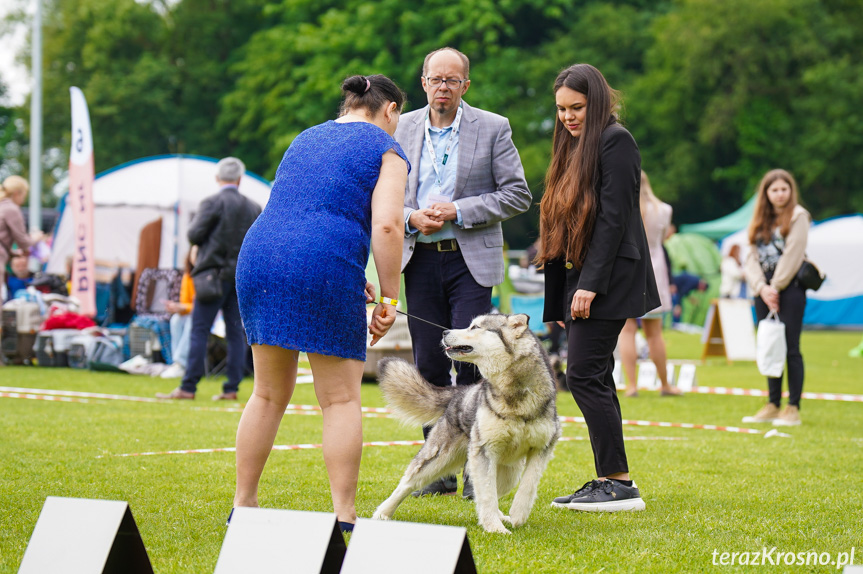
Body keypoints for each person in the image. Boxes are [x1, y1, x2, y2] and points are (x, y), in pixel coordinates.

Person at [232, 74, 408, 533]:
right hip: (321, 261)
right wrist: (389, 294)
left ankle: (243, 505)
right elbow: (388, 226)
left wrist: (348, 273)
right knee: (341, 398)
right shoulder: (387, 150)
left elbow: (304, 209)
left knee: (267, 392)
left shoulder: (305, 137)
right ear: (389, 109)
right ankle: (344, 517)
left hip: (260, 256)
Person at [396, 47, 531, 498]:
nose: (443, 88)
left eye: (453, 81)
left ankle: (478, 468)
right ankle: (437, 468)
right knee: (429, 364)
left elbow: (517, 195)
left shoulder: (494, 127)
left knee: (473, 362)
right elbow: (382, 195)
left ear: (465, 85)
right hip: (418, 259)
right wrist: (412, 216)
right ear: (423, 82)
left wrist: (459, 210)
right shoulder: (401, 127)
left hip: (470, 259)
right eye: (436, 80)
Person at [537, 64, 659, 512]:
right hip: (579, 281)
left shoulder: (615, 140)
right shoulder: (572, 145)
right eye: (562, 109)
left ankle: (619, 482)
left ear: (599, 102)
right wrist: (557, 299)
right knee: (595, 376)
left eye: (577, 108)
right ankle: (611, 478)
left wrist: (588, 286)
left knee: (584, 375)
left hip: (607, 280)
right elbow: (558, 220)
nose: (568, 117)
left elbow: (614, 219)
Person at [156, 158, 261, 401]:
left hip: (211, 276)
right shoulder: (253, 207)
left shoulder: (212, 202)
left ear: (218, 178)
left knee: (199, 330)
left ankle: (188, 387)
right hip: (238, 278)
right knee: (236, 333)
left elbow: (194, 233)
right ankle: (232, 388)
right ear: (240, 179)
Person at [743, 169, 810, 426]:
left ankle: (792, 407)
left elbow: (794, 253)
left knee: (791, 347)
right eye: (775, 190)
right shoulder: (759, 219)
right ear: (766, 193)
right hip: (763, 290)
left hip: (790, 288)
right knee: (769, 345)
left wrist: (776, 286)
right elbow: (750, 257)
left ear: (791, 191)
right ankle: (772, 403)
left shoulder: (799, 216)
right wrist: (762, 287)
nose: (780, 194)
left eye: (784, 189)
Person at [617, 171, 682, 397]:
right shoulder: (664, 210)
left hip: (626, 270)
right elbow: (662, 239)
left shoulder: (622, 207)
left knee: (627, 330)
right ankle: (665, 385)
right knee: (654, 333)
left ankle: (632, 386)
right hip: (655, 271)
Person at [1, 176, 43, 300]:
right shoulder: (11, 209)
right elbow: (23, 241)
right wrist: (36, 237)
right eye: (23, 195)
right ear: (17, 193)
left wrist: (14, 253)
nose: (23, 200)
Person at [160, 247, 197, 379]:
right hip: (190, 313)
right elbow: (186, 301)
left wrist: (184, 307)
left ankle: (180, 363)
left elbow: (203, 307)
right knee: (175, 319)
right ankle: (177, 363)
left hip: (205, 318)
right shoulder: (188, 276)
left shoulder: (206, 277)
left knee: (192, 321)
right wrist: (177, 307)